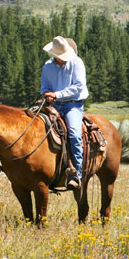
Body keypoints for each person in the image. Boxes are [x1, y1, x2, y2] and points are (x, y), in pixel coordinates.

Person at [40, 36, 88, 191]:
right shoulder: (47, 66)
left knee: (74, 134)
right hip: (53, 104)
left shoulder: (77, 63)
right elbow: (44, 87)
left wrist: (56, 94)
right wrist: (47, 93)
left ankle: (76, 173)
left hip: (72, 105)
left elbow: (78, 87)